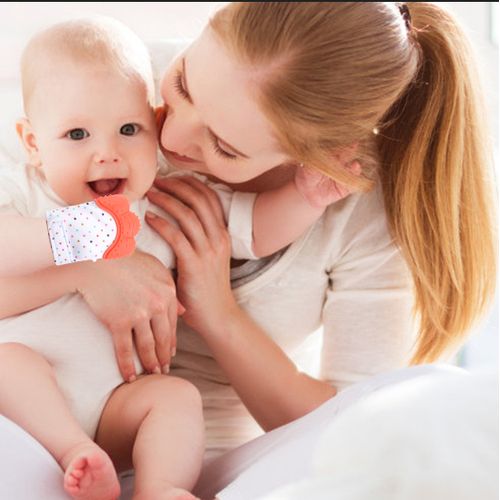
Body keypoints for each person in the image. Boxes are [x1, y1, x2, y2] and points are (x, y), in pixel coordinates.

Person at [0, 0, 496, 490]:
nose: (165, 134)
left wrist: (219, 307)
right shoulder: (105, 85)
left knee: (425, 402)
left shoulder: (354, 210)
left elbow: (350, 426)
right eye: (183, 85)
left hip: (191, 447)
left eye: (225, 147)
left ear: (315, 158)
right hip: (30, 416)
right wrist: (86, 270)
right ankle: (75, 452)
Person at [0, 13, 358, 500]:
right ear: (33, 144)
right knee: (8, 363)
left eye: (129, 129)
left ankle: (161, 487)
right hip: (30, 402)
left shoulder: (165, 202)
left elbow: (252, 229)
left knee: (174, 399)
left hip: (118, 403)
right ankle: (75, 454)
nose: (107, 153)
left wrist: (306, 198)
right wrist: (69, 240)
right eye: (78, 136)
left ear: (153, 124)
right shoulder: (26, 191)